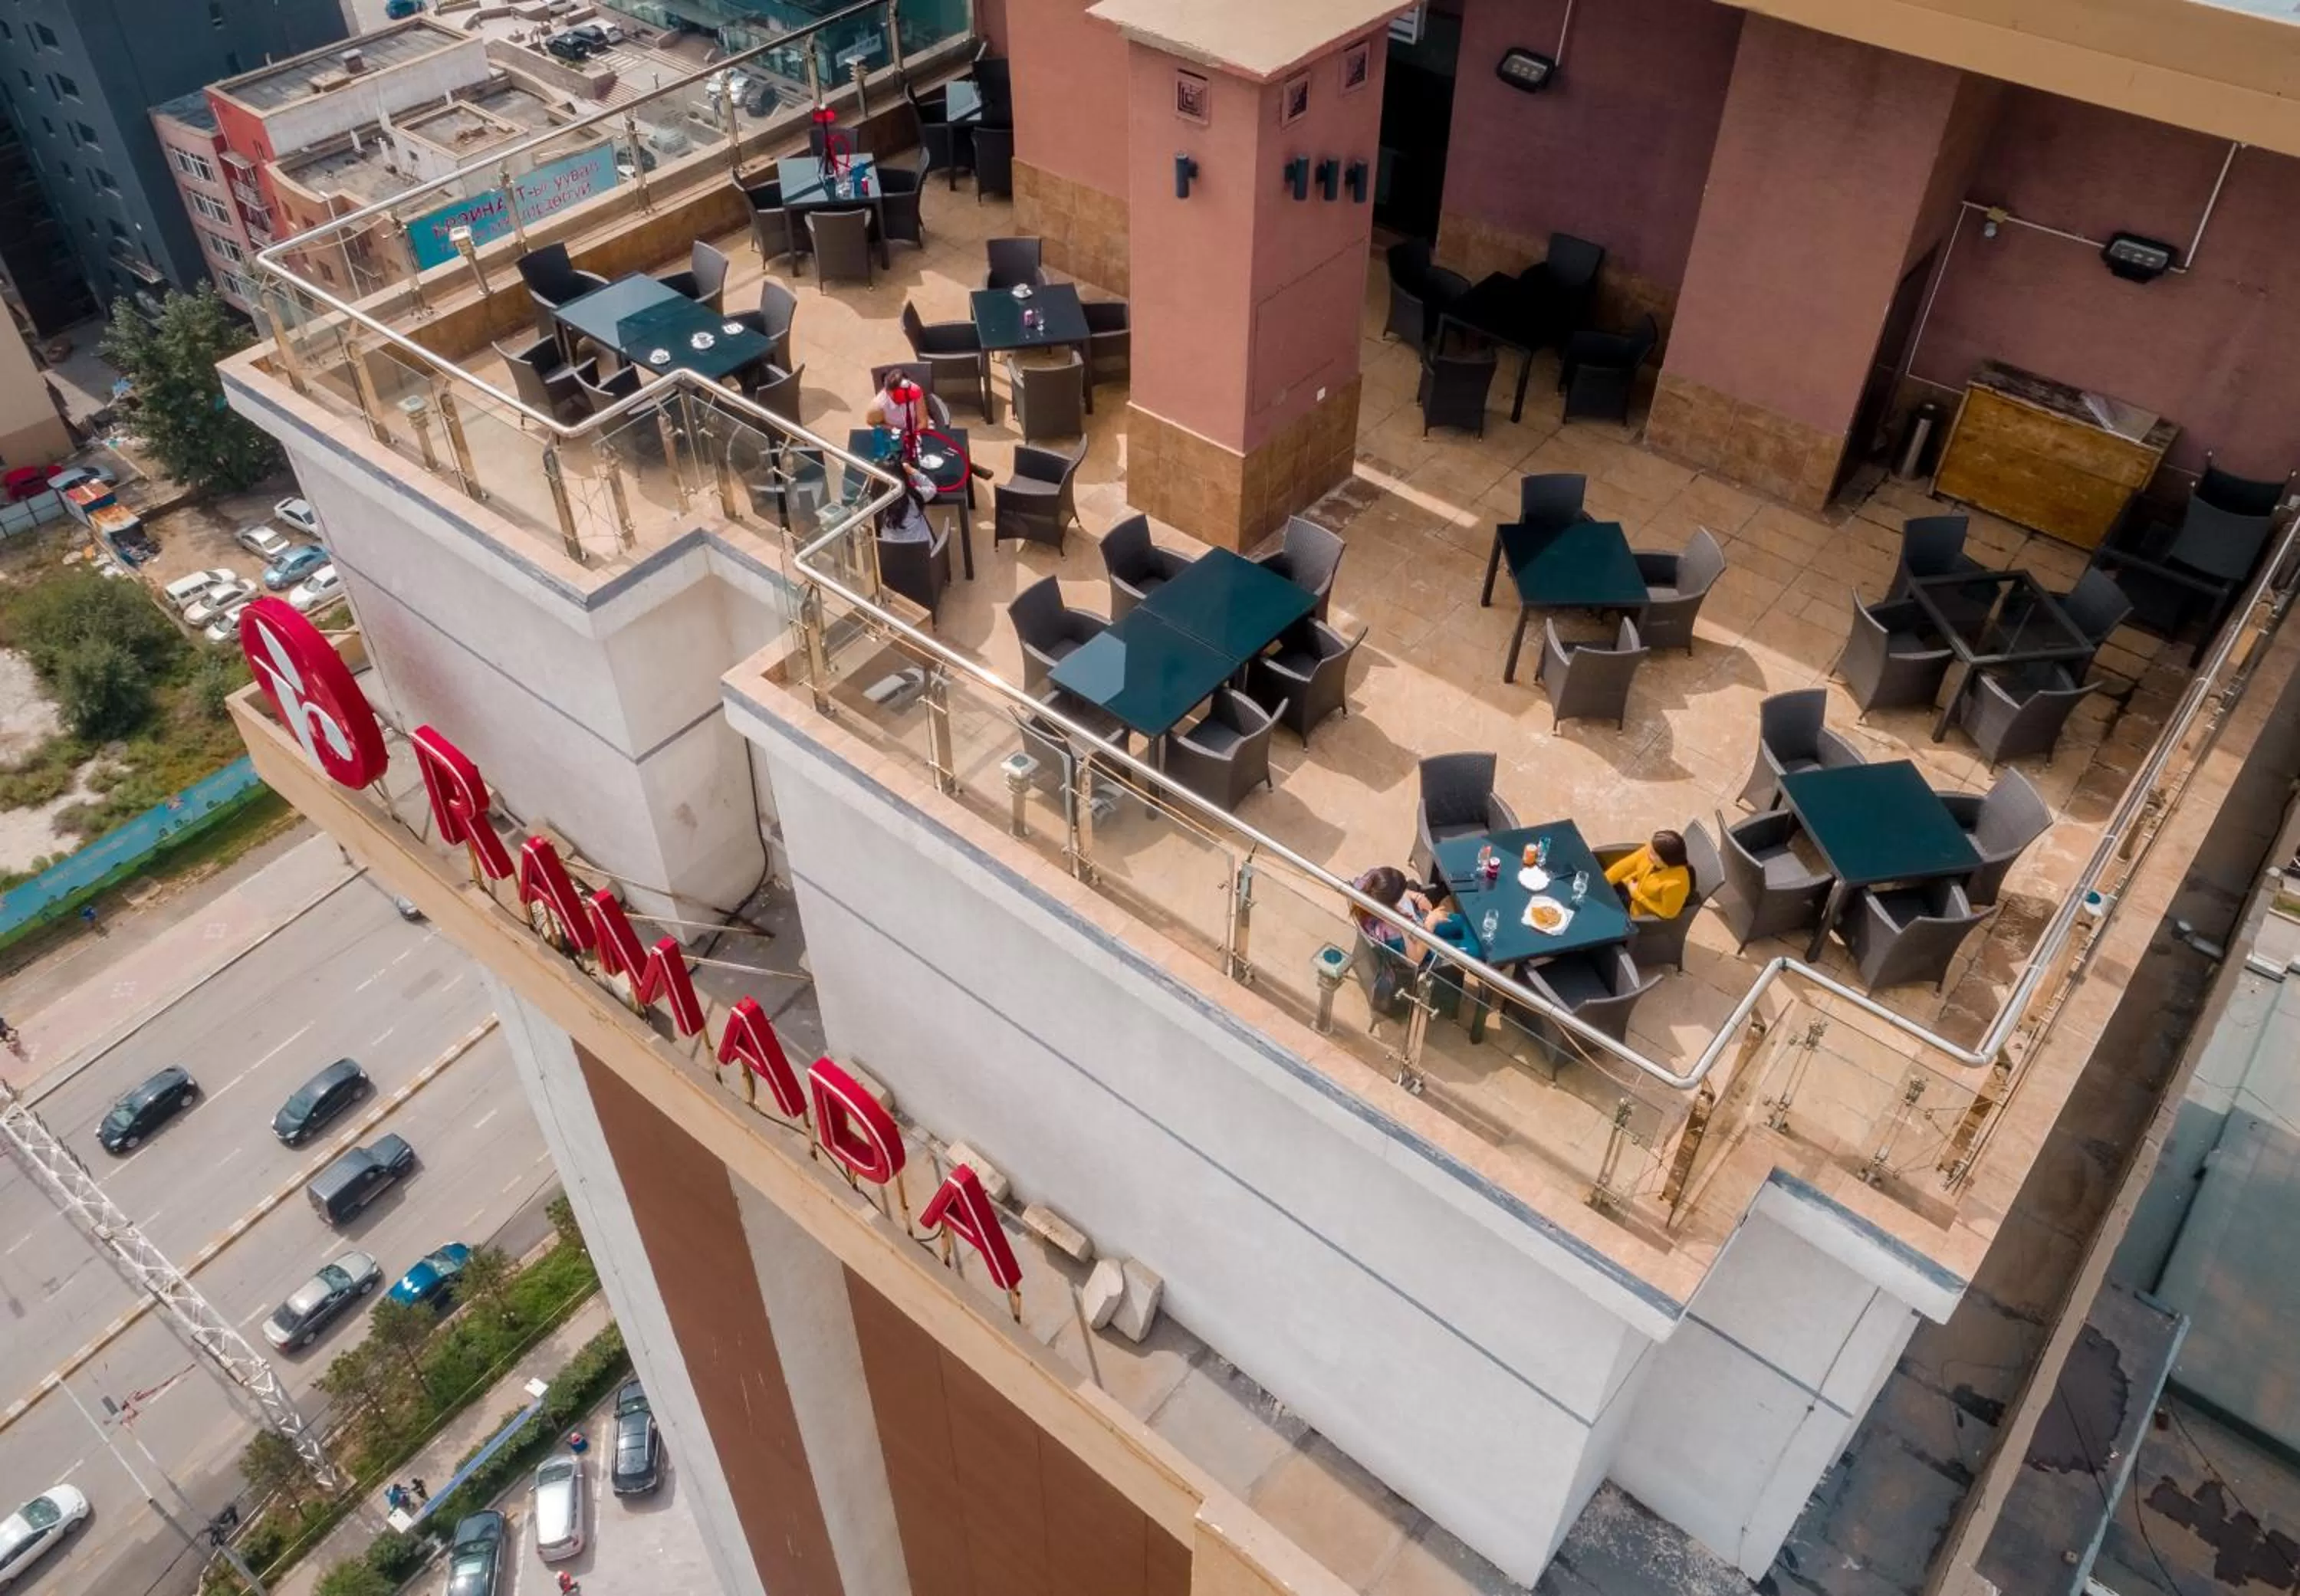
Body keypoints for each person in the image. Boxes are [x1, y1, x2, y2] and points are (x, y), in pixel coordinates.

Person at [1351, 865, 1470, 961]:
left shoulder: (1368, 886)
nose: (1405, 893)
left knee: (1465, 923)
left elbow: (1392, 893)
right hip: (1425, 948)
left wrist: (1416, 896)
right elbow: (1416, 958)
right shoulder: (1394, 931)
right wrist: (1430, 924)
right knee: (1472, 949)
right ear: (1391, 903)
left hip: (1420, 925)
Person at [1605, 829, 1693, 919]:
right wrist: (1602, 883)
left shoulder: (1676, 885)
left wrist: (1638, 896)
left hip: (1637, 914)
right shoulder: (1652, 851)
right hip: (1628, 887)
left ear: (1666, 860)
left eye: (1653, 853)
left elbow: (1668, 913)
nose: (1647, 852)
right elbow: (1623, 867)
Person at [864, 373, 928, 432]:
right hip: (893, 436)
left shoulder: (914, 391)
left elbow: (922, 422)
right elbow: (872, 423)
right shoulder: (877, 407)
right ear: (887, 391)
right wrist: (892, 429)